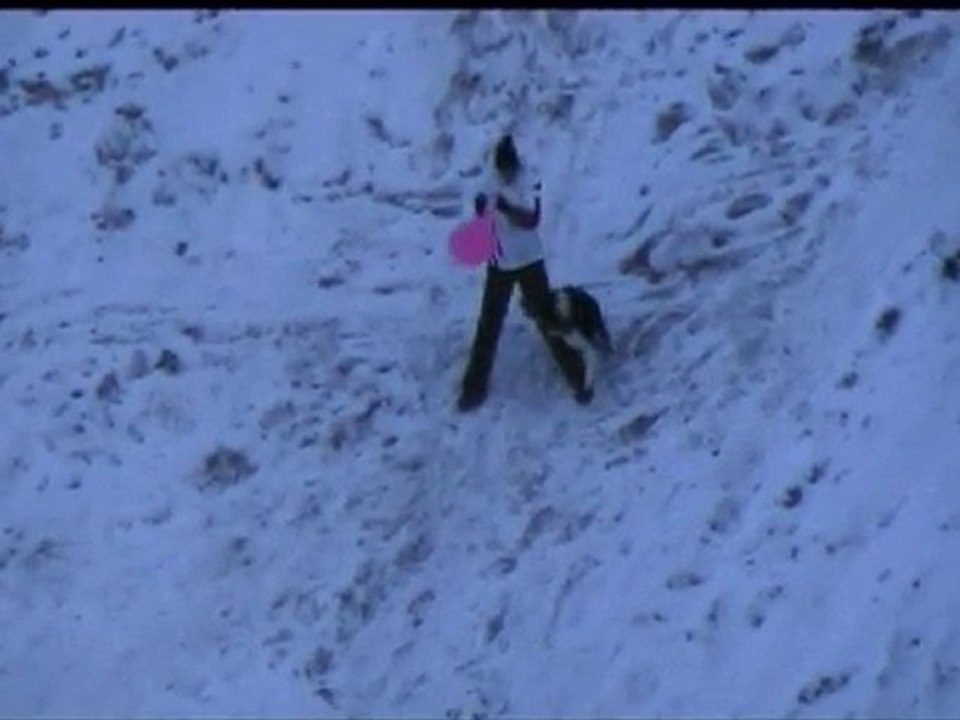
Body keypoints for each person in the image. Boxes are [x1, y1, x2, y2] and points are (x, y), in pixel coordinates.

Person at [457, 133, 591, 412]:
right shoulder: (487, 184)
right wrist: (482, 213)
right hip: (500, 263)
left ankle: (578, 377)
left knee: (548, 319)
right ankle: (473, 388)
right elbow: (480, 223)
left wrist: (506, 208)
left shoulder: (529, 180)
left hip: (530, 261)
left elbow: (532, 220)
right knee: (489, 325)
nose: (506, 175)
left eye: (509, 170)